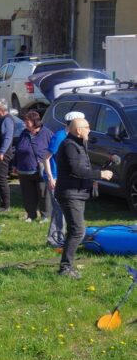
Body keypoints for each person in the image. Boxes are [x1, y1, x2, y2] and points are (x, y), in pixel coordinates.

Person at [55, 118, 113, 278]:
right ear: (78, 130)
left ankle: (66, 266)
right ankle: (65, 268)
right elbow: (76, 170)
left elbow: (83, 167)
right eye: (87, 127)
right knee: (77, 231)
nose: (90, 130)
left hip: (76, 192)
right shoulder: (69, 145)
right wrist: (100, 174)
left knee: (75, 230)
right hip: (70, 193)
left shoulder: (78, 144)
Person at [43, 111, 85, 248]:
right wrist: (51, 177)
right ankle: (54, 240)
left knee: (65, 209)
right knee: (59, 209)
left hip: (64, 178)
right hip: (55, 177)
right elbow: (46, 158)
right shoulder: (60, 137)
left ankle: (63, 238)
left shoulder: (73, 137)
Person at [15, 111, 53, 222]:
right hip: (24, 169)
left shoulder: (47, 133)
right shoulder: (24, 133)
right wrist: (15, 164)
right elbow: (18, 150)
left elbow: (53, 150)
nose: (25, 123)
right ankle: (31, 215)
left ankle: (45, 215)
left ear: (35, 121)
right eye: (25, 121)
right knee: (28, 194)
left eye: (28, 121)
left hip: (40, 169)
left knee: (43, 193)